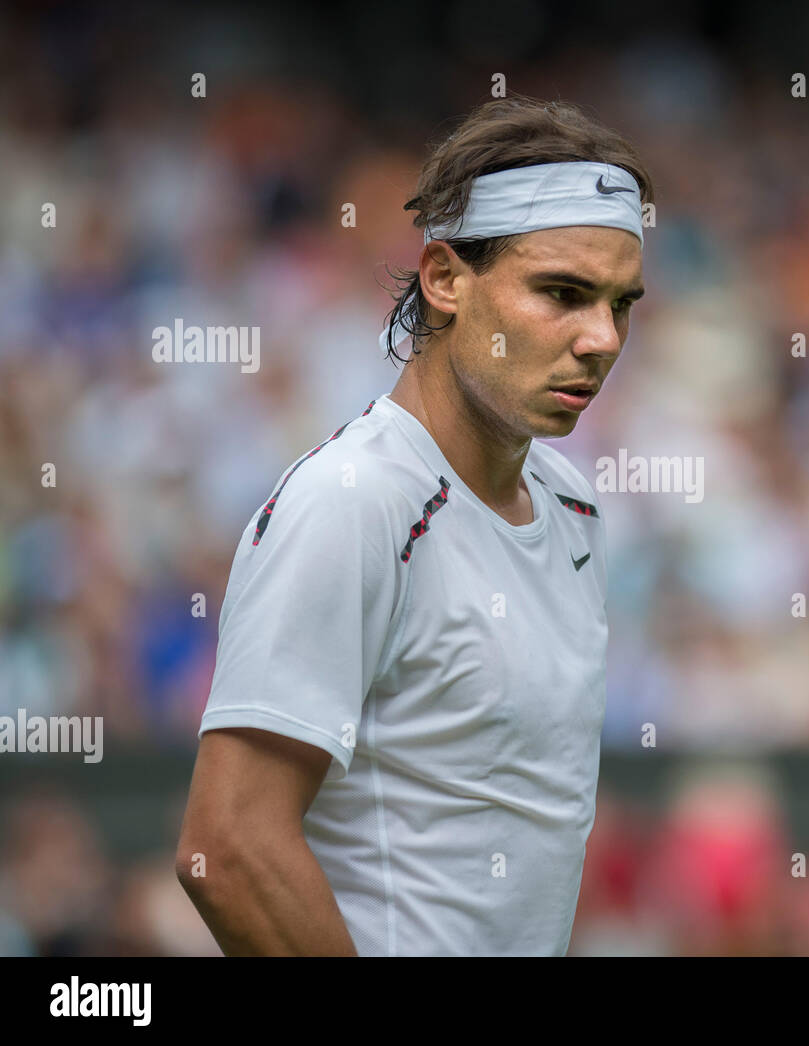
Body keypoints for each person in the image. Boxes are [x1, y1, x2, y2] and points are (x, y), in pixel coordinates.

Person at [175, 95, 652, 956]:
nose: (602, 338)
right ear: (443, 279)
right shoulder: (352, 501)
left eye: (621, 304)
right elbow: (229, 849)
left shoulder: (575, 508)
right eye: (563, 293)